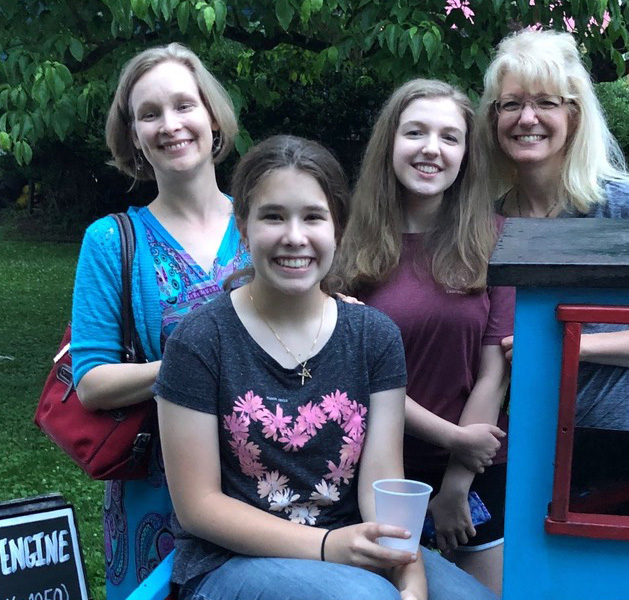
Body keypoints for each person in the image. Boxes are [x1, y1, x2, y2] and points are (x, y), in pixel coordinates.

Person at [153, 134, 498, 600]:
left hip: (356, 545)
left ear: (339, 227)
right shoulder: (200, 341)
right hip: (231, 562)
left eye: (313, 217)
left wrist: (409, 576)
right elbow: (198, 508)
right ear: (243, 227)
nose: (294, 237)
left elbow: (382, 486)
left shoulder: (373, 336)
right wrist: (327, 546)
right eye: (273, 216)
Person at [70, 43, 248, 599]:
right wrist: (196, 364)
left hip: (269, 487)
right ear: (134, 137)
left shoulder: (265, 223)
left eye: (183, 105)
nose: (170, 125)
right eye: (149, 114)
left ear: (212, 117)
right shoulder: (110, 241)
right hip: (156, 500)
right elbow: (91, 382)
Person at [333, 79, 513, 595]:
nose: (431, 148)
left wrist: (456, 482)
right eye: (415, 132)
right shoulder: (345, 241)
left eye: (449, 137)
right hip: (369, 473)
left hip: (474, 469)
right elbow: (359, 376)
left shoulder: (498, 239)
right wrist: (452, 438)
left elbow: (494, 373)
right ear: (390, 143)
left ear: (466, 154)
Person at [478, 29, 629, 433]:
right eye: (511, 104)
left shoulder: (623, 205)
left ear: (574, 114)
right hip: (533, 442)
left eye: (546, 102)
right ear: (494, 117)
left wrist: (571, 346)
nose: (527, 118)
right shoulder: (491, 218)